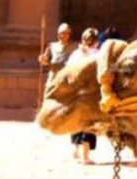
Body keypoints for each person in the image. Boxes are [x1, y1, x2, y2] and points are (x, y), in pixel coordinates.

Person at [69, 27, 101, 164]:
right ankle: (85, 157)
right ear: (96, 41)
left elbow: (68, 72)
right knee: (89, 124)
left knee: (77, 121)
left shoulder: (76, 54)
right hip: (91, 93)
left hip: (76, 92)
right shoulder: (99, 54)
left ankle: (76, 150)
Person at [39, 22, 75, 87]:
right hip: (54, 77)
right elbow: (46, 61)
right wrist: (43, 60)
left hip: (66, 78)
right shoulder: (52, 46)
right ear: (58, 35)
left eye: (67, 33)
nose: (65, 35)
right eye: (63, 33)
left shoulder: (73, 47)